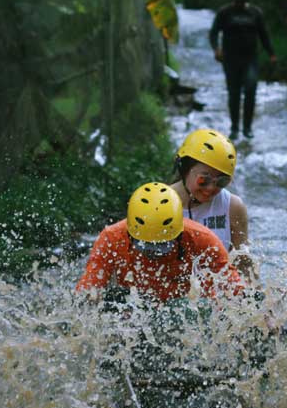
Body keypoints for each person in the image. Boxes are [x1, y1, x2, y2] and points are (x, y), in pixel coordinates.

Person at [76, 182, 244, 302]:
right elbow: (88, 289)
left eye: (163, 245)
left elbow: (235, 288)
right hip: (132, 302)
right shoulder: (111, 238)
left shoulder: (203, 240)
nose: (154, 254)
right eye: (146, 246)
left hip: (182, 304)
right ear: (130, 234)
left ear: (179, 233)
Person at [169, 128, 257, 282]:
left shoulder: (233, 207)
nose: (210, 188)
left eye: (221, 182)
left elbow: (244, 268)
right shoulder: (158, 204)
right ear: (185, 168)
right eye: (204, 180)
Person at [209, 0, 276, 141]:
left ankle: (247, 128)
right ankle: (234, 128)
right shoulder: (225, 12)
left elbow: (264, 35)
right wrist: (217, 49)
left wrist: (272, 54)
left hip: (250, 59)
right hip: (231, 60)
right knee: (234, 93)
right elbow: (213, 32)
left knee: (251, 90)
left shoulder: (255, 13)